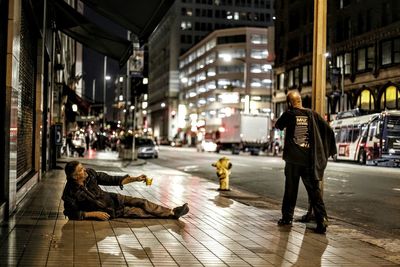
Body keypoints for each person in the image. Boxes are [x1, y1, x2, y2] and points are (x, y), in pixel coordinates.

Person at [274, 91, 336, 234]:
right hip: (309, 161)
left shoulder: (289, 114)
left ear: (289, 103)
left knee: (290, 190)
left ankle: (287, 218)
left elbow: (278, 125)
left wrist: (288, 111)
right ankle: (322, 220)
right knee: (314, 191)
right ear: (300, 101)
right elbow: (329, 130)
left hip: (293, 160)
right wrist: (329, 149)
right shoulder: (312, 114)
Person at [62, 161, 189, 221]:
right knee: (140, 212)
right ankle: (172, 215)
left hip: (113, 198)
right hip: (110, 211)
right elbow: (70, 213)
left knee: (142, 202)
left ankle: (173, 211)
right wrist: (93, 214)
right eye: (81, 170)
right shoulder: (70, 192)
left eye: (83, 168)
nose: (85, 170)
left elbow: (112, 179)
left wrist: (136, 179)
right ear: (74, 176)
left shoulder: (91, 174)